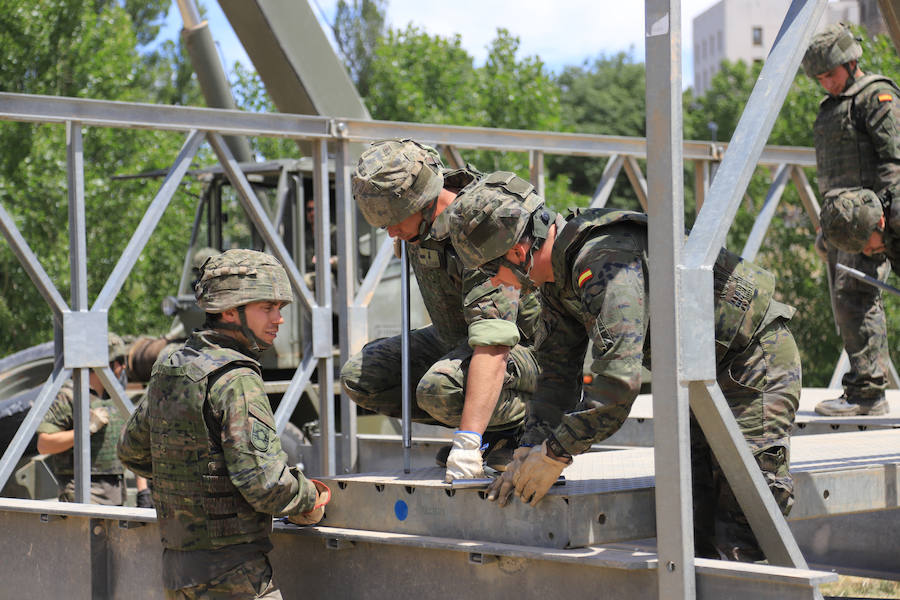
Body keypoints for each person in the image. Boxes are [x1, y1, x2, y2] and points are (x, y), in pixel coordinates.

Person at [447, 172, 801, 562]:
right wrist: (529, 448)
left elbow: (616, 382)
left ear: (516, 253)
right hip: (698, 373)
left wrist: (556, 452)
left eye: (488, 271)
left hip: (751, 361)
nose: (495, 284)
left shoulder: (602, 260)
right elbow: (556, 374)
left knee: (742, 520)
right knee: (695, 517)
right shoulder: (558, 276)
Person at [118, 249, 330, 599]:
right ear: (230, 310)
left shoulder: (170, 366)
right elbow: (266, 484)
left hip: (178, 573)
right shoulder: (236, 378)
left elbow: (132, 451)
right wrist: (312, 495)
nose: (278, 319)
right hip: (235, 576)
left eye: (281, 308)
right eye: (267, 308)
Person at [341, 139, 541, 482]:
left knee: (439, 390)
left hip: (527, 350)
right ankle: (490, 426)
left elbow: (493, 343)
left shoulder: (481, 225)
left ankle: (521, 427)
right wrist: (405, 229)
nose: (392, 231)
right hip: (457, 337)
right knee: (362, 377)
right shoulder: (420, 219)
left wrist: (466, 441)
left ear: (422, 200)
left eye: (397, 219)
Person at [802, 22, 900, 416]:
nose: (825, 82)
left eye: (830, 73)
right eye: (820, 77)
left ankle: (867, 392)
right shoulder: (832, 107)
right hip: (846, 224)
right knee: (846, 300)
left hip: (875, 220)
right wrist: (830, 223)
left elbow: (894, 163)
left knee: (853, 296)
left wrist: (885, 220)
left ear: (851, 60)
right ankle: (865, 389)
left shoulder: (876, 96)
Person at [36, 333, 130, 505]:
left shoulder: (116, 397)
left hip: (116, 491)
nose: (123, 368)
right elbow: (44, 444)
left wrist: (143, 489)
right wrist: (87, 429)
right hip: (82, 491)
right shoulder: (69, 396)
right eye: (120, 361)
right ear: (108, 364)